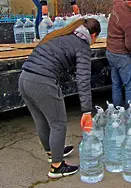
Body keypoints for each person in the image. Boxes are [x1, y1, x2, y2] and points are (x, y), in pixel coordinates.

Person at [18, 18, 100, 178]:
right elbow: (83, 80)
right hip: (43, 81)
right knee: (58, 123)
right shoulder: (83, 46)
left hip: (24, 78)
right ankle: (57, 167)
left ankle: (52, 152)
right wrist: (87, 111)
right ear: (94, 35)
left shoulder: (61, 35)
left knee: (41, 120)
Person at [106, 0, 131, 108]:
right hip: (121, 55)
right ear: (130, 1)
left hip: (110, 51)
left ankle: (117, 109)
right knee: (130, 85)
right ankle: (130, 112)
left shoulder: (118, 5)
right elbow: (129, 45)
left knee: (116, 84)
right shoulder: (130, 20)